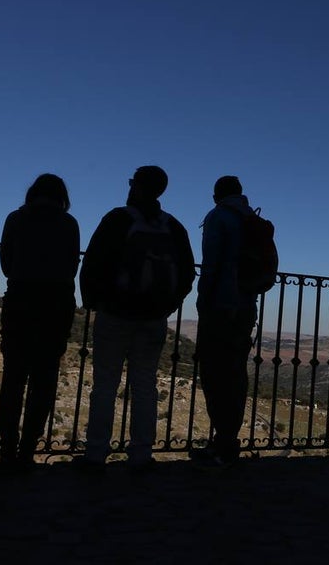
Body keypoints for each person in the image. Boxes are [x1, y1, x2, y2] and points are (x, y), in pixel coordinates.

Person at [77, 166, 194, 470]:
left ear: (137, 187)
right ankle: (141, 454)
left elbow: (93, 263)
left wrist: (93, 303)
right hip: (153, 318)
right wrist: (168, 306)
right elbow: (187, 273)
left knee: (104, 385)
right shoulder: (174, 227)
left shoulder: (117, 219)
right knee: (144, 386)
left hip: (115, 313)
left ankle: (95, 454)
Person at [0, 173, 81, 474]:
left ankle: (7, 450)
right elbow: (72, 266)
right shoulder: (69, 224)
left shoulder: (15, 219)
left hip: (21, 300)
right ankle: (27, 450)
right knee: (44, 380)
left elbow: (6, 264)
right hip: (56, 305)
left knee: (14, 378)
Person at [192, 175, 266, 468]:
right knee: (235, 372)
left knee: (213, 372)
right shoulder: (252, 218)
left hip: (220, 307)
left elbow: (211, 263)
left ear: (215, 195)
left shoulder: (218, 216)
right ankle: (229, 440)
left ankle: (221, 441)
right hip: (247, 306)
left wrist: (202, 299)